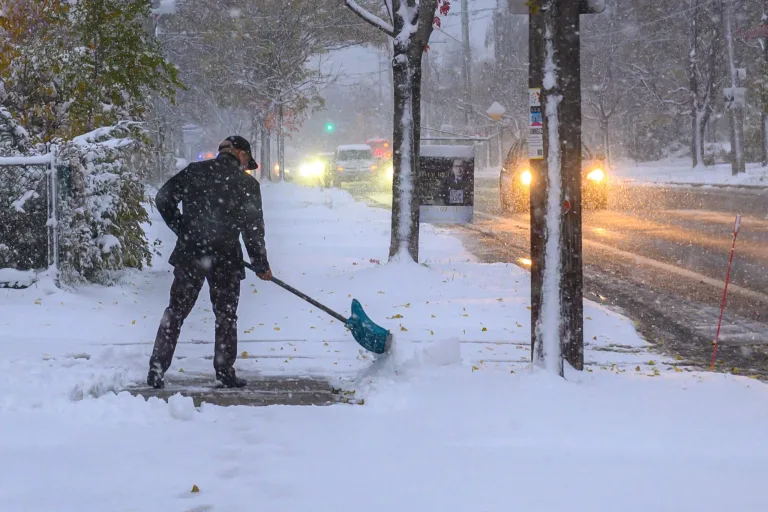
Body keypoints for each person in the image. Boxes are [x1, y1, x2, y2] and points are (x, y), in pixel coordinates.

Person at [147, 135, 272, 389]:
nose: (246, 165)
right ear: (240, 153)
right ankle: (224, 372)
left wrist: (184, 230)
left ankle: (157, 369)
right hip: (227, 257)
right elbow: (253, 229)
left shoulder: (194, 172)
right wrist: (260, 263)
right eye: (246, 159)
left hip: (191, 254)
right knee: (226, 316)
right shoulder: (246, 184)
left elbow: (163, 199)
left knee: (175, 312)